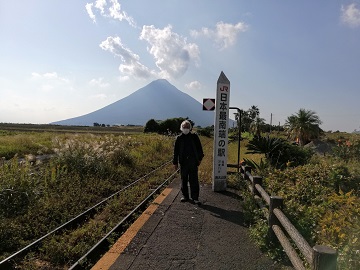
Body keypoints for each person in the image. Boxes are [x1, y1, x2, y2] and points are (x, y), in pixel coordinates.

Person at [173, 120, 204, 204]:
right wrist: (175, 162)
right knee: (184, 180)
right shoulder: (179, 138)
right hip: (183, 162)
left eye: (187, 127)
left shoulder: (194, 137)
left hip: (193, 162)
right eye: (184, 127)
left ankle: (195, 197)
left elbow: (199, 149)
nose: (185, 129)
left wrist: (200, 159)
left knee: (194, 180)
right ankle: (185, 196)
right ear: (181, 128)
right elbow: (175, 152)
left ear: (190, 128)